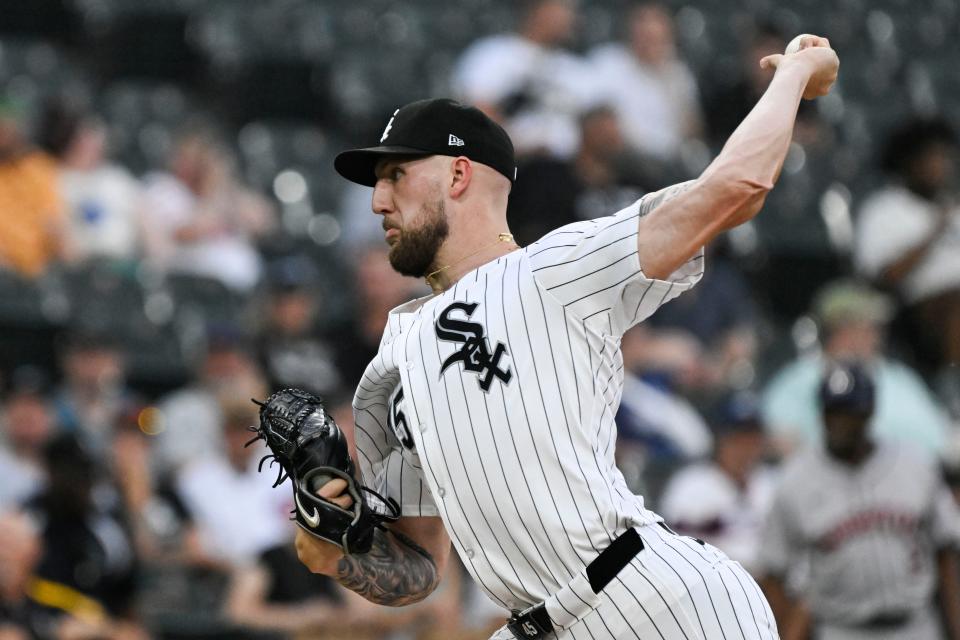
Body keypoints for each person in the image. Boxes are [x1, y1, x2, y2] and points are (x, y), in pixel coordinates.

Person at [293, 34, 839, 639]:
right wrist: (336, 543)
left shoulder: (554, 268)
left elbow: (734, 188)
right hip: (537, 626)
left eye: (395, 174)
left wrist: (792, 75)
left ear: (456, 174)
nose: (376, 201)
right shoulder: (390, 362)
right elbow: (422, 566)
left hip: (651, 600)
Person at [757, 362, 960, 640]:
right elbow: (774, 572)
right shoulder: (795, 481)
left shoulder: (915, 465)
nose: (839, 423)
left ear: (869, 412)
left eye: (849, 414)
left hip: (916, 627)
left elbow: (946, 553)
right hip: (841, 630)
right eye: (832, 412)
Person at [761, 279, 950, 457]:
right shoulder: (802, 379)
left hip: (911, 477)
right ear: (841, 329)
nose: (877, 336)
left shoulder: (898, 376)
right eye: (869, 327)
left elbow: (940, 434)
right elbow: (780, 440)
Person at [451, 0, 599, 159]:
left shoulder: (577, 69)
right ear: (538, 9)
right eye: (564, 8)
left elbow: (598, 128)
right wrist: (517, 149)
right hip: (507, 164)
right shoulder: (492, 54)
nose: (572, 18)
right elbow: (477, 114)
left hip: (568, 170)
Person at [658, 392, 778, 576]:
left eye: (751, 440)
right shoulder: (689, 487)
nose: (745, 449)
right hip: (709, 586)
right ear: (719, 440)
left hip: (765, 586)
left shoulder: (771, 485)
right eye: (736, 440)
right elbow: (675, 557)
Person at [589, 3, 704, 163]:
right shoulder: (608, 63)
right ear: (629, 27)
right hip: (624, 162)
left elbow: (691, 131)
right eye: (641, 21)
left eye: (657, 21)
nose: (648, 29)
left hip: (670, 168)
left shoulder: (678, 74)